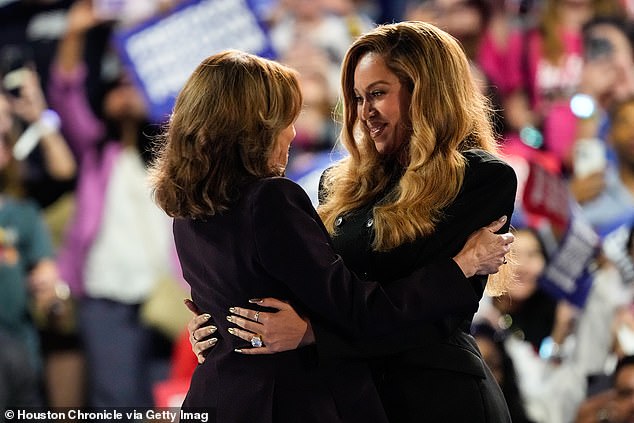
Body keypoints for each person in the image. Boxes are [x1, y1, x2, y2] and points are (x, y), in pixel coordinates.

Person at [149, 45, 515, 423]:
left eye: (377, 93)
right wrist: (462, 265)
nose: (291, 133)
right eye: (357, 97)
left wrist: (302, 333)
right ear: (254, 126)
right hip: (294, 400)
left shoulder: (188, 211)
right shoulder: (290, 193)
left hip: (430, 398)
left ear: (425, 94)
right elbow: (353, 306)